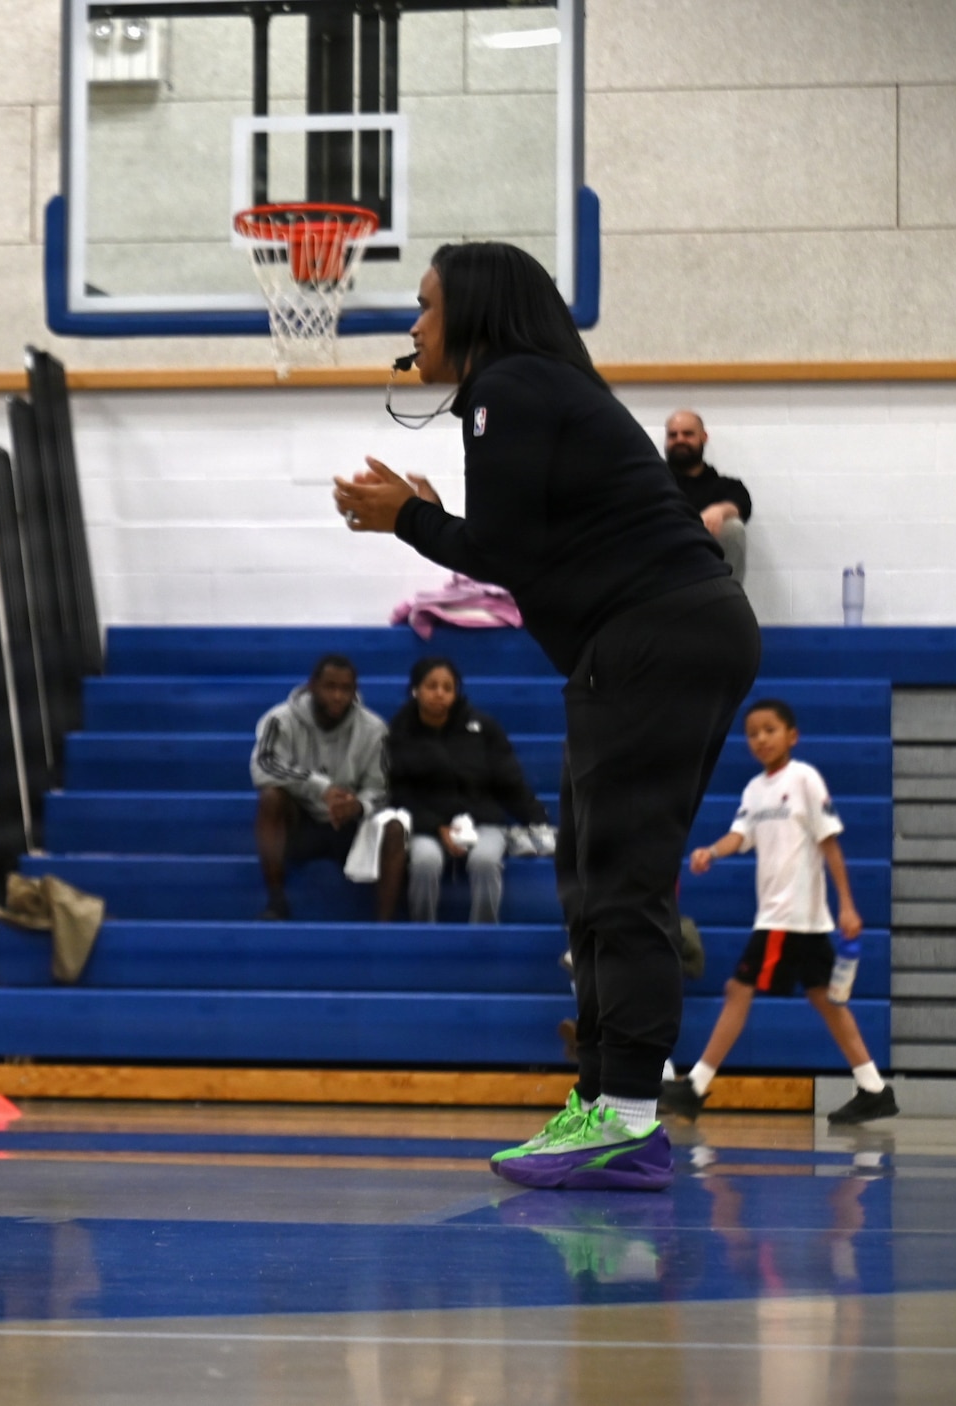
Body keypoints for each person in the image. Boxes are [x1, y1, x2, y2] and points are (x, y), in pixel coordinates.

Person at [334, 241, 761, 1192]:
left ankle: (627, 1121)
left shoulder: (509, 388)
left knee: (621, 882)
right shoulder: (533, 390)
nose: (414, 326)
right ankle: (602, 1105)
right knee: (589, 878)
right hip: (661, 638)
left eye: (425, 305)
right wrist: (427, 513)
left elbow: (500, 554)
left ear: (474, 311)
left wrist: (402, 516)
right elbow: (520, 545)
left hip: (655, 639)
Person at [661, 700, 895, 1125]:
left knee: (738, 989)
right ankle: (873, 1088)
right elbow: (740, 835)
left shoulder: (804, 778)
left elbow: (830, 842)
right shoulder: (754, 790)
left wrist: (847, 904)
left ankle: (695, 1085)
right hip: (784, 918)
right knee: (826, 1000)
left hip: (789, 915)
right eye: (752, 732)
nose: (761, 739)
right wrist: (711, 851)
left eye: (769, 730)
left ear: (792, 735)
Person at [383, 656, 549, 924]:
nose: (440, 693)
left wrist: (537, 819)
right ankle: (422, 933)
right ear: (415, 689)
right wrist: (438, 827)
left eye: (447, 687)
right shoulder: (399, 733)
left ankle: (483, 935)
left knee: (485, 861)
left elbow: (509, 780)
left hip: (482, 819)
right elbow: (399, 793)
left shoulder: (484, 727)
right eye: (432, 686)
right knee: (425, 862)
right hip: (426, 824)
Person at [249, 654, 393, 922]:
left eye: (345, 689)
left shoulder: (375, 729)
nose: (338, 696)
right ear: (312, 686)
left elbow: (383, 788)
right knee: (270, 798)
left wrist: (358, 805)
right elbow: (264, 766)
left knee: (392, 824)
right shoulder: (279, 719)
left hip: (348, 824)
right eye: (330, 687)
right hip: (300, 820)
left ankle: (383, 924)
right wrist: (320, 788)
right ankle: (277, 902)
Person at [664, 410, 752, 583]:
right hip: (660, 569)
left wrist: (720, 511)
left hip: (708, 575)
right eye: (673, 435)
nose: (680, 439)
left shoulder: (725, 486)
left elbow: (742, 503)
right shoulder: (651, 482)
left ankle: (727, 603)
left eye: (688, 434)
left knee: (733, 526)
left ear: (704, 437)